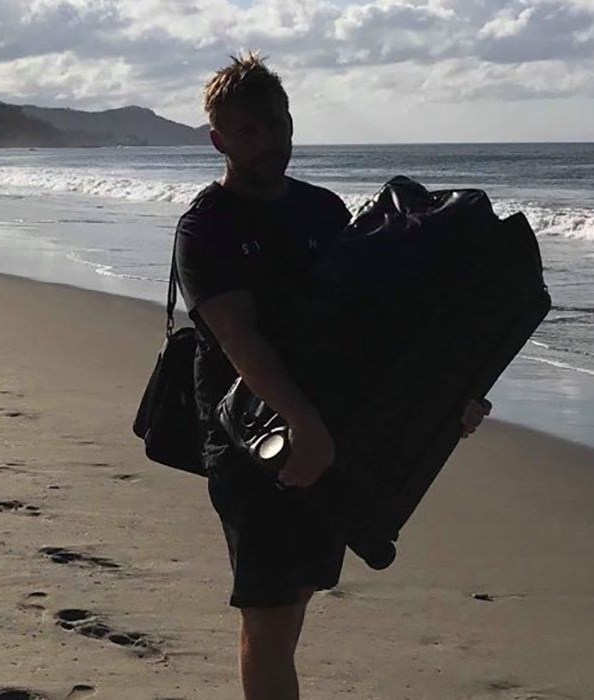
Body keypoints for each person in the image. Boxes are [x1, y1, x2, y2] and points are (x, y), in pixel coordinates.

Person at [173, 53, 491, 700]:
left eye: (277, 124)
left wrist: (448, 399)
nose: (269, 142)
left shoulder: (322, 209)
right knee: (270, 617)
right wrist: (301, 423)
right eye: (249, 132)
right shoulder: (205, 227)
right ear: (219, 141)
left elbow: (372, 326)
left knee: (301, 590)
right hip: (251, 441)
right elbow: (239, 337)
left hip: (331, 426)